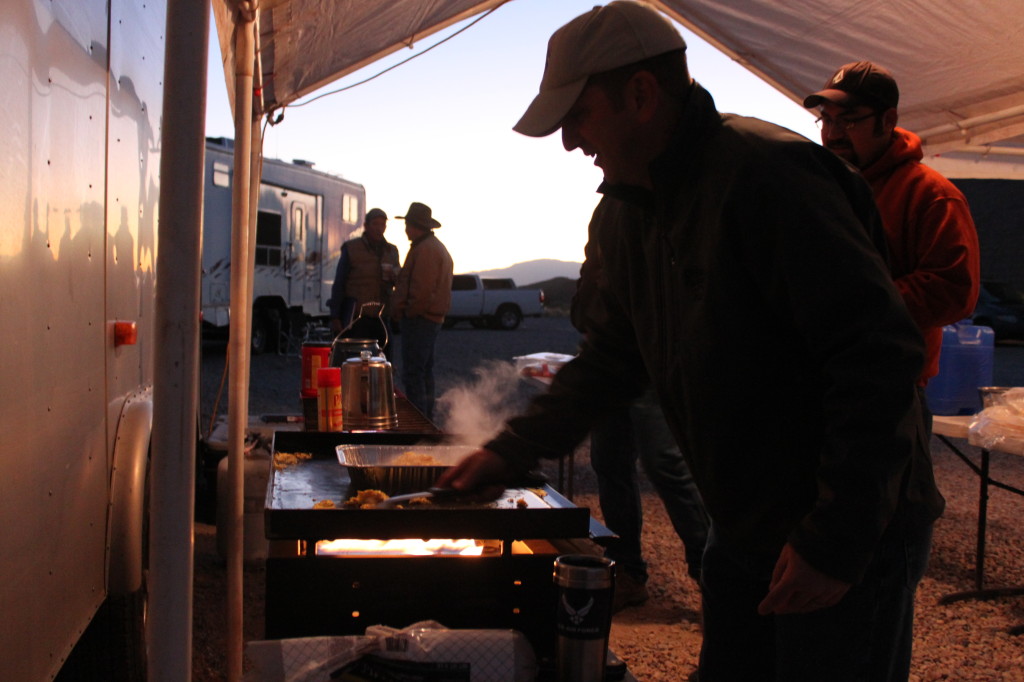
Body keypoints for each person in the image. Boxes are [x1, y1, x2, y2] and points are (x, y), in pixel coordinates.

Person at [437, 3, 943, 680]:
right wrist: (512, 449)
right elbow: (613, 357)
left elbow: (877, 359)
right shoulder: (623, 214)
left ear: (641, 95)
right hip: (742, 527)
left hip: (845, 523)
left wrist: (835, 539)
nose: (568, 140)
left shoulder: (772, 177)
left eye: (578, 114)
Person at [803, 61, 981, 429]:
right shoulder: (823, 185)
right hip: (816, 377)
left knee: (883, 487)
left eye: (848, 120)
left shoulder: (932, 196)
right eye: (827, 120)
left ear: (887, 120)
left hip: (887, 387)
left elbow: (953, 290)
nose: (834, 133)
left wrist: (851, 305)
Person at [574, 236, 709, 611]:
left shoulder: (660, 206)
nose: (599, 171)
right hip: (612, 353)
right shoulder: (609, 211)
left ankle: (711, 576)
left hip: (650, 356)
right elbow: (592, 271)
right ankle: (629, 572)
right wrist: (587, 315)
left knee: (665, 464)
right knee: (610, 462)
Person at [390, 202, 453, 420]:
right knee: (423, 371)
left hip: (420, 320)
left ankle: (418, 420)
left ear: (415, 225)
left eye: (407, 224)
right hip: (429, 319)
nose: (406, 229)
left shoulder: (424, 250)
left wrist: (406, 312)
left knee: (414, 372)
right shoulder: (433, 247)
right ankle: (425, 417)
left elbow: (421, 290)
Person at [329, 207, 402, 346]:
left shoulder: (392, 251)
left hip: (382, 317)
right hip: (357, 319)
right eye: (375, 224)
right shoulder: (351, 248)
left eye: (382, 224)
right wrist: (335, 316)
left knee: (382, 362)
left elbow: (400, 282)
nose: (379, 228)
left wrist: (395, 278)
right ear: (366, 226)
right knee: (357, 361)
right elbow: (339, 283)